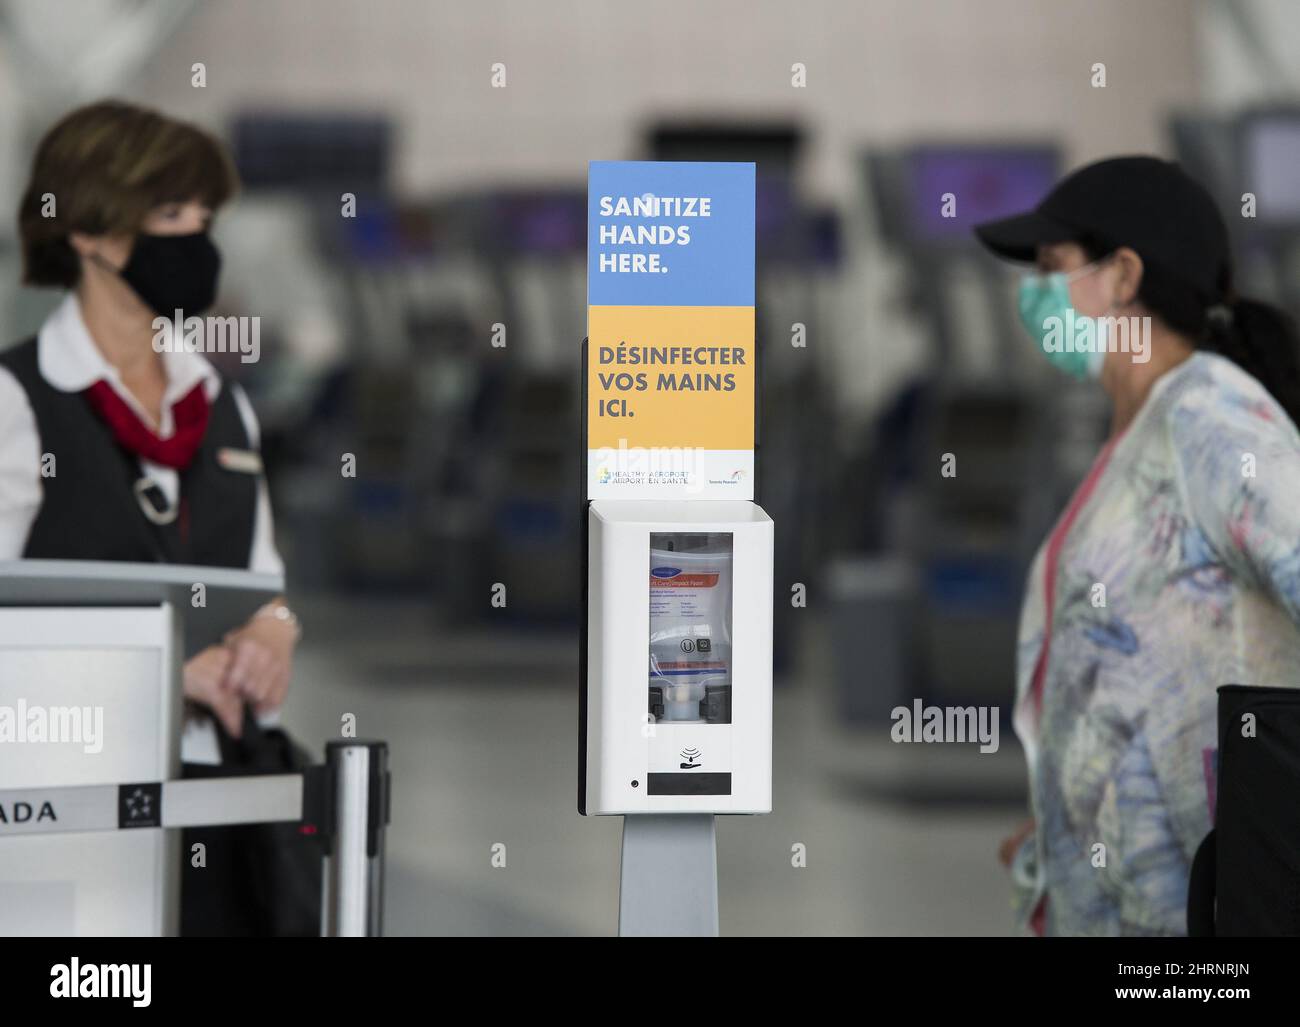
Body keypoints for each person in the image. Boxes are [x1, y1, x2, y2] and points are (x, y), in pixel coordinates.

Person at [974, 155, 1300, 936]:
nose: (1034, 296)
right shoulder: (1144, 428)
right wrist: (1069, 814)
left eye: (1051, 268)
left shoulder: (1211, 421)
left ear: (1123, 275)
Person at [0, 100, 304, 934]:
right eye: (171, 215)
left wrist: (272, 634)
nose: (197, 240)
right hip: (66, 807)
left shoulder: (222, 407)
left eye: (205, 217)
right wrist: (146, 676)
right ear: (90, 232)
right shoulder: (17, 403)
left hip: (220, 794)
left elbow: (259, 586)